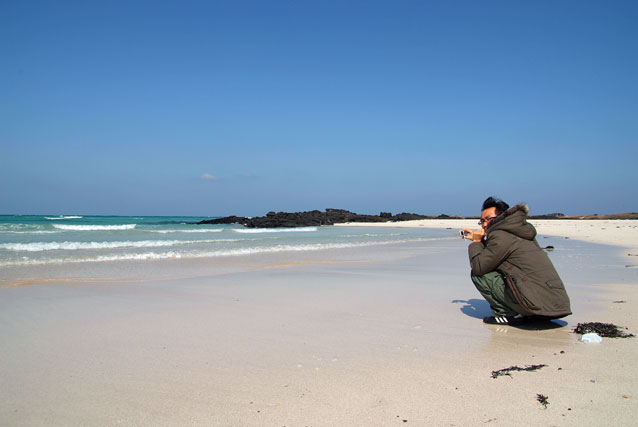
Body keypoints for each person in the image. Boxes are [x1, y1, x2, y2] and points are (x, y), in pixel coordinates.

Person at [461, 197, 571, 325]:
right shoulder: (518, 231)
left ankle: (507, 314)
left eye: (488, 219)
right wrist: (481, 241)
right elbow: (498, 253)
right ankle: (528, 312)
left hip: (536, 305)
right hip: (555, 304)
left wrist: (476, 242)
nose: (484, 224)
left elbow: (479, 266)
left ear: (501, 217)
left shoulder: (500, 234)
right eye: (482, 221)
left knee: (479, 275)